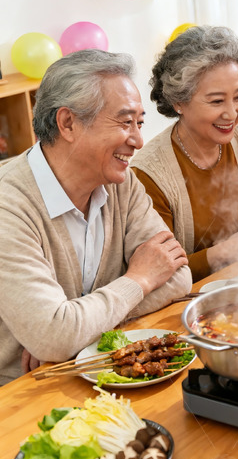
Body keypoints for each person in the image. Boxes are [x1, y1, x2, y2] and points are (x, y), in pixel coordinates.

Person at [0, 49, 191, 385]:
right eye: (125, 121)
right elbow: (54, 336)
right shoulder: (9, 206)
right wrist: (140, 280)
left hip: (96, 368)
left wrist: (75, 327)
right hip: (23, 390)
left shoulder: (122, 181)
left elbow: (178, 275)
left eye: (140, 122)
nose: (138, 140)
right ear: (68, 123)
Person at [131, 26, 238, 282]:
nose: (232, 113)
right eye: (216, 101)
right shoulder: (149, 173)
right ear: (179, 102)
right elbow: (159, 269)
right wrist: (224, 252)